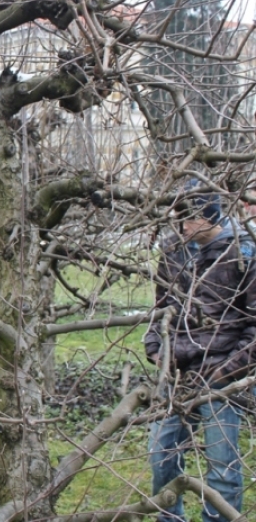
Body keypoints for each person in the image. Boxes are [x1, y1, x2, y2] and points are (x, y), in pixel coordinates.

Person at [145, 181, 256, 522]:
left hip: (222, 375)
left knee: (222, 468)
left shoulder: (244, 253)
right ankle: (169, 518)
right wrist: (154, 347)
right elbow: (161, 307)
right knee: (161, 454)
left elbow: (253, 328)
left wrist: (225, 372)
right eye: (178, 219)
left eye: (189, 219)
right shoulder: (174, 251)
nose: (182, 227)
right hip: (178, 372)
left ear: (210, 216)